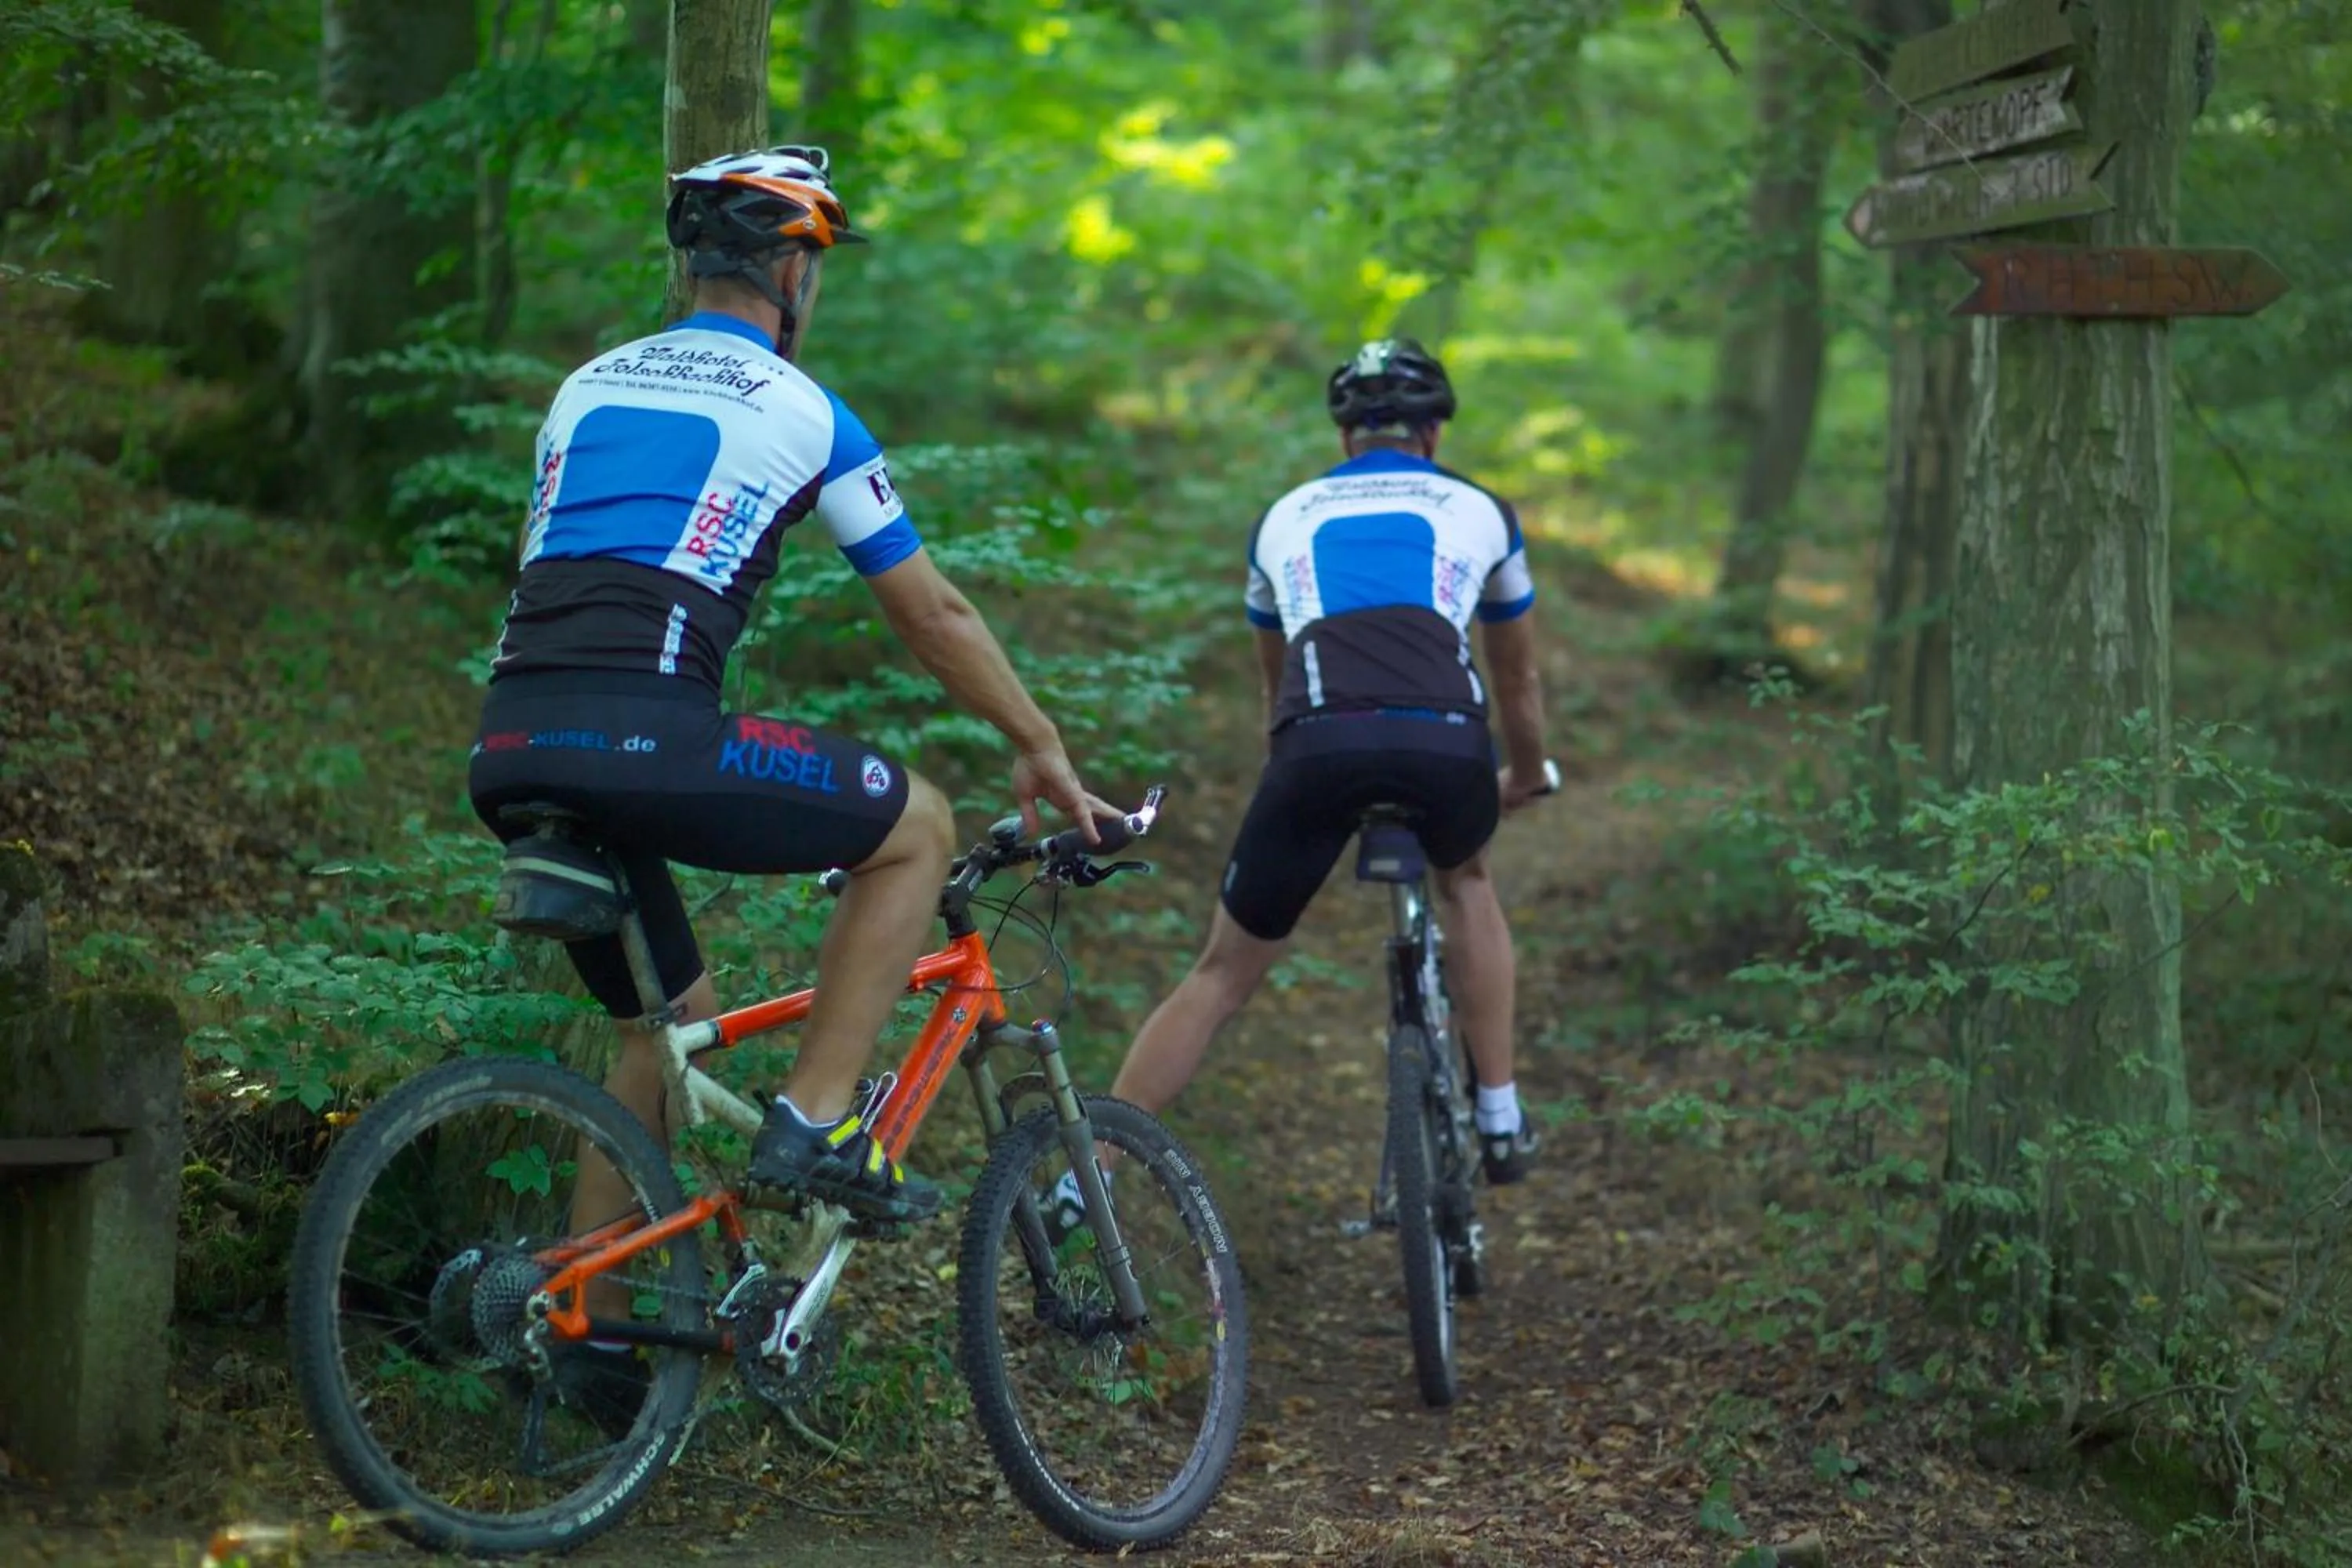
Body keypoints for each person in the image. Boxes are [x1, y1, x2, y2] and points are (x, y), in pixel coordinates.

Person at [468, 145, 1116, 1257]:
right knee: (916, 829)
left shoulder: (583, 387)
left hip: (512, 741)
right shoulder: (807, 410)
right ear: (791, 271)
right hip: (647, 735)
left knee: (662, 1028)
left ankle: (586, 1328)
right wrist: (1039, 742)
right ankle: (817, 1127)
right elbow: (934, 618)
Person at [1093, 336, 1549, 1207]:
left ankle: (1090, 1176)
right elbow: (1519, 676)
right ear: (1435, 431)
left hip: (1317, 743)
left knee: (1221, 971)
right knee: (1467, 882)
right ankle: (1498, 1110)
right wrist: (1526, 772)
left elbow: (1277, 689)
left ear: (1346, 437)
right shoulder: (1483, 507)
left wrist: (1300, 784)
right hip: (1448, 741)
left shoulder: (1281, 515)